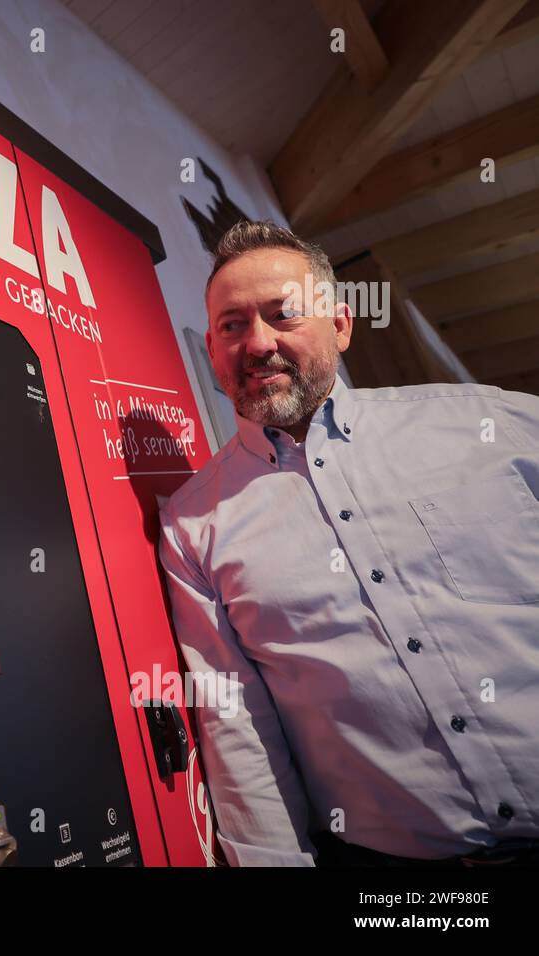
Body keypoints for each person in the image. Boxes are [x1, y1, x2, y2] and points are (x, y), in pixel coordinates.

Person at [158, 219, 539, 866]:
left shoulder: (492, 424)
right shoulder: (195, 524)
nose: (258, 343)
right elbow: (240, 724)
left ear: (340, 325)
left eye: (284, 314)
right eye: (231, 325)